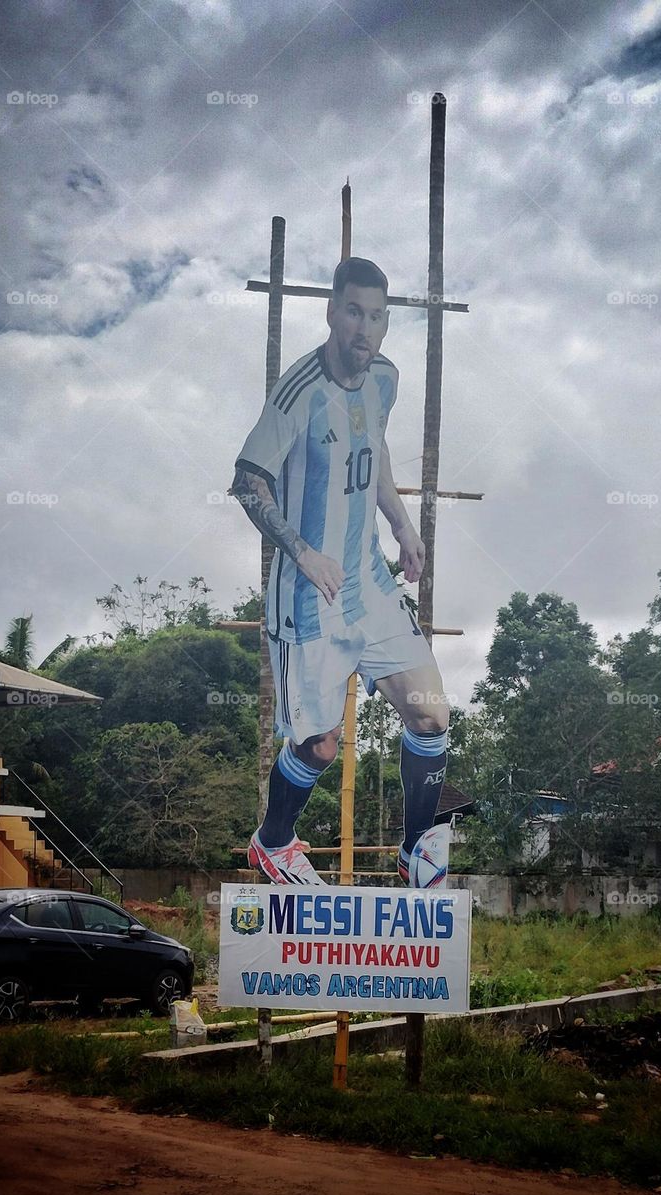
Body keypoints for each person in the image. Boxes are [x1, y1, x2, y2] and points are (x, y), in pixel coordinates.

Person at [229, 256, 451, 887]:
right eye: (354, 311)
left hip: (370, 582)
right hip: (307, 595)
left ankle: (414, 851)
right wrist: (301, 550)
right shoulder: (297, 393)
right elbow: (247, 484)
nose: (365, 328)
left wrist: (402, 525)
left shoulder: (385, 378)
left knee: (431, 713)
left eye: (377, 316)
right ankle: (274, 843)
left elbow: (374, 444)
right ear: (331, 311)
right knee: (319, 747)